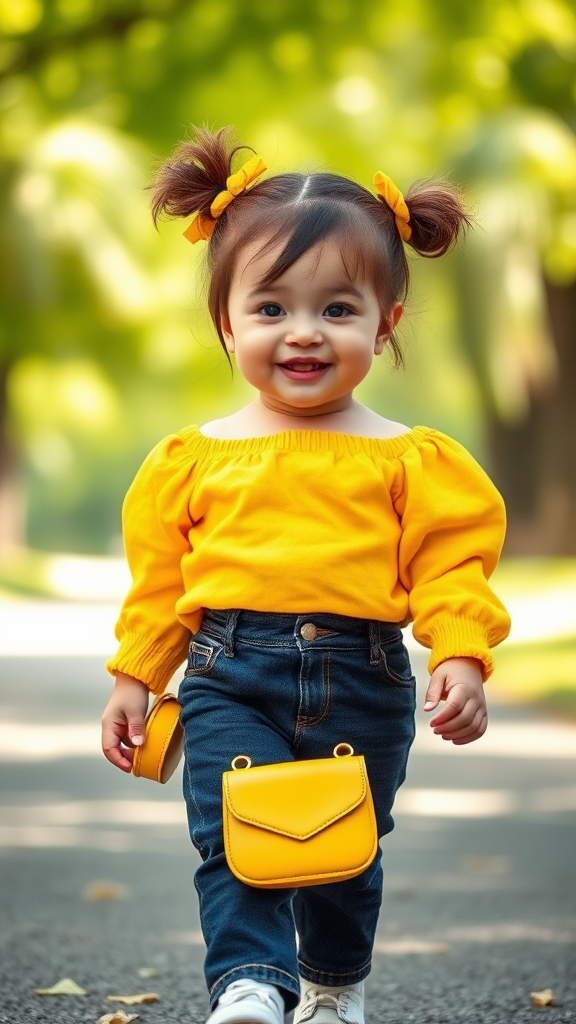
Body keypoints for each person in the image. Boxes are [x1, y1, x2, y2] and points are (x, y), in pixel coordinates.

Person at [101, 126, 511, 1024]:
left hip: (362, 677)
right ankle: (249, 983)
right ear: (227, 322)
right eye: (272, 308)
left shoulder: (411, 459)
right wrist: (138, 676)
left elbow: (452, 564)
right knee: (231, 836)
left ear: (385, 322)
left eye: (336, 310)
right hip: (225, 673)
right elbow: (164, 586)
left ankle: (332, 983)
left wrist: (463, 654)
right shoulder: (192, 460)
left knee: (340, 847)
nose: (303, 334)